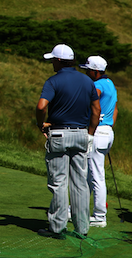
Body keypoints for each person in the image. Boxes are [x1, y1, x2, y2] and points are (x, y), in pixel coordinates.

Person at [35, 44, 100, 239]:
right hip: (81, 134)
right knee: (80, 182)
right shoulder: (87, 81)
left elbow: (41, 106)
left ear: (59, 60)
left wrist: (41, 124)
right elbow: (96, 110)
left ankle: (57, 227)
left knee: (59, 182)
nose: (52, 63)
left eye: (53, 59)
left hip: (58, 135)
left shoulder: (53, 81)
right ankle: (82, 229)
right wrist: (90, 134)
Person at [80, 56, 117, 228]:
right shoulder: (110, 83)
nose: (86, 73)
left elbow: (92, 103)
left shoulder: (97, 85)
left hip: (98, 132)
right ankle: (80, 208)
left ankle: (100, 216)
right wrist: (108, 124)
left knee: (96, 176)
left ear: (95, 71)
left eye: (88, 70)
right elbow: (115, 109)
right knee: (90, 174)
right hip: (107, 131)